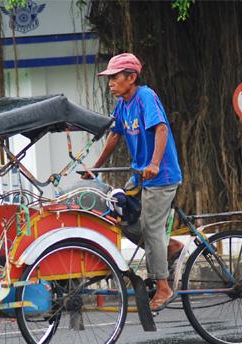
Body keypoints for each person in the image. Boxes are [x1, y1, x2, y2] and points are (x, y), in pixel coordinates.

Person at [85, 53, 184, 311]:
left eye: (115, 77)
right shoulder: (122, 104)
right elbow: (115, 137)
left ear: (132, 77)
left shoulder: (145, 97)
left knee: (151, 228)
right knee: (120, 217)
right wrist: (95, 168)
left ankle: (163, 287)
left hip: (161, 176)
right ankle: (169, 246)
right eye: (109, 78)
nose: (110, 83)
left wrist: (154, 163)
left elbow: (161, 129)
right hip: (140, 176)